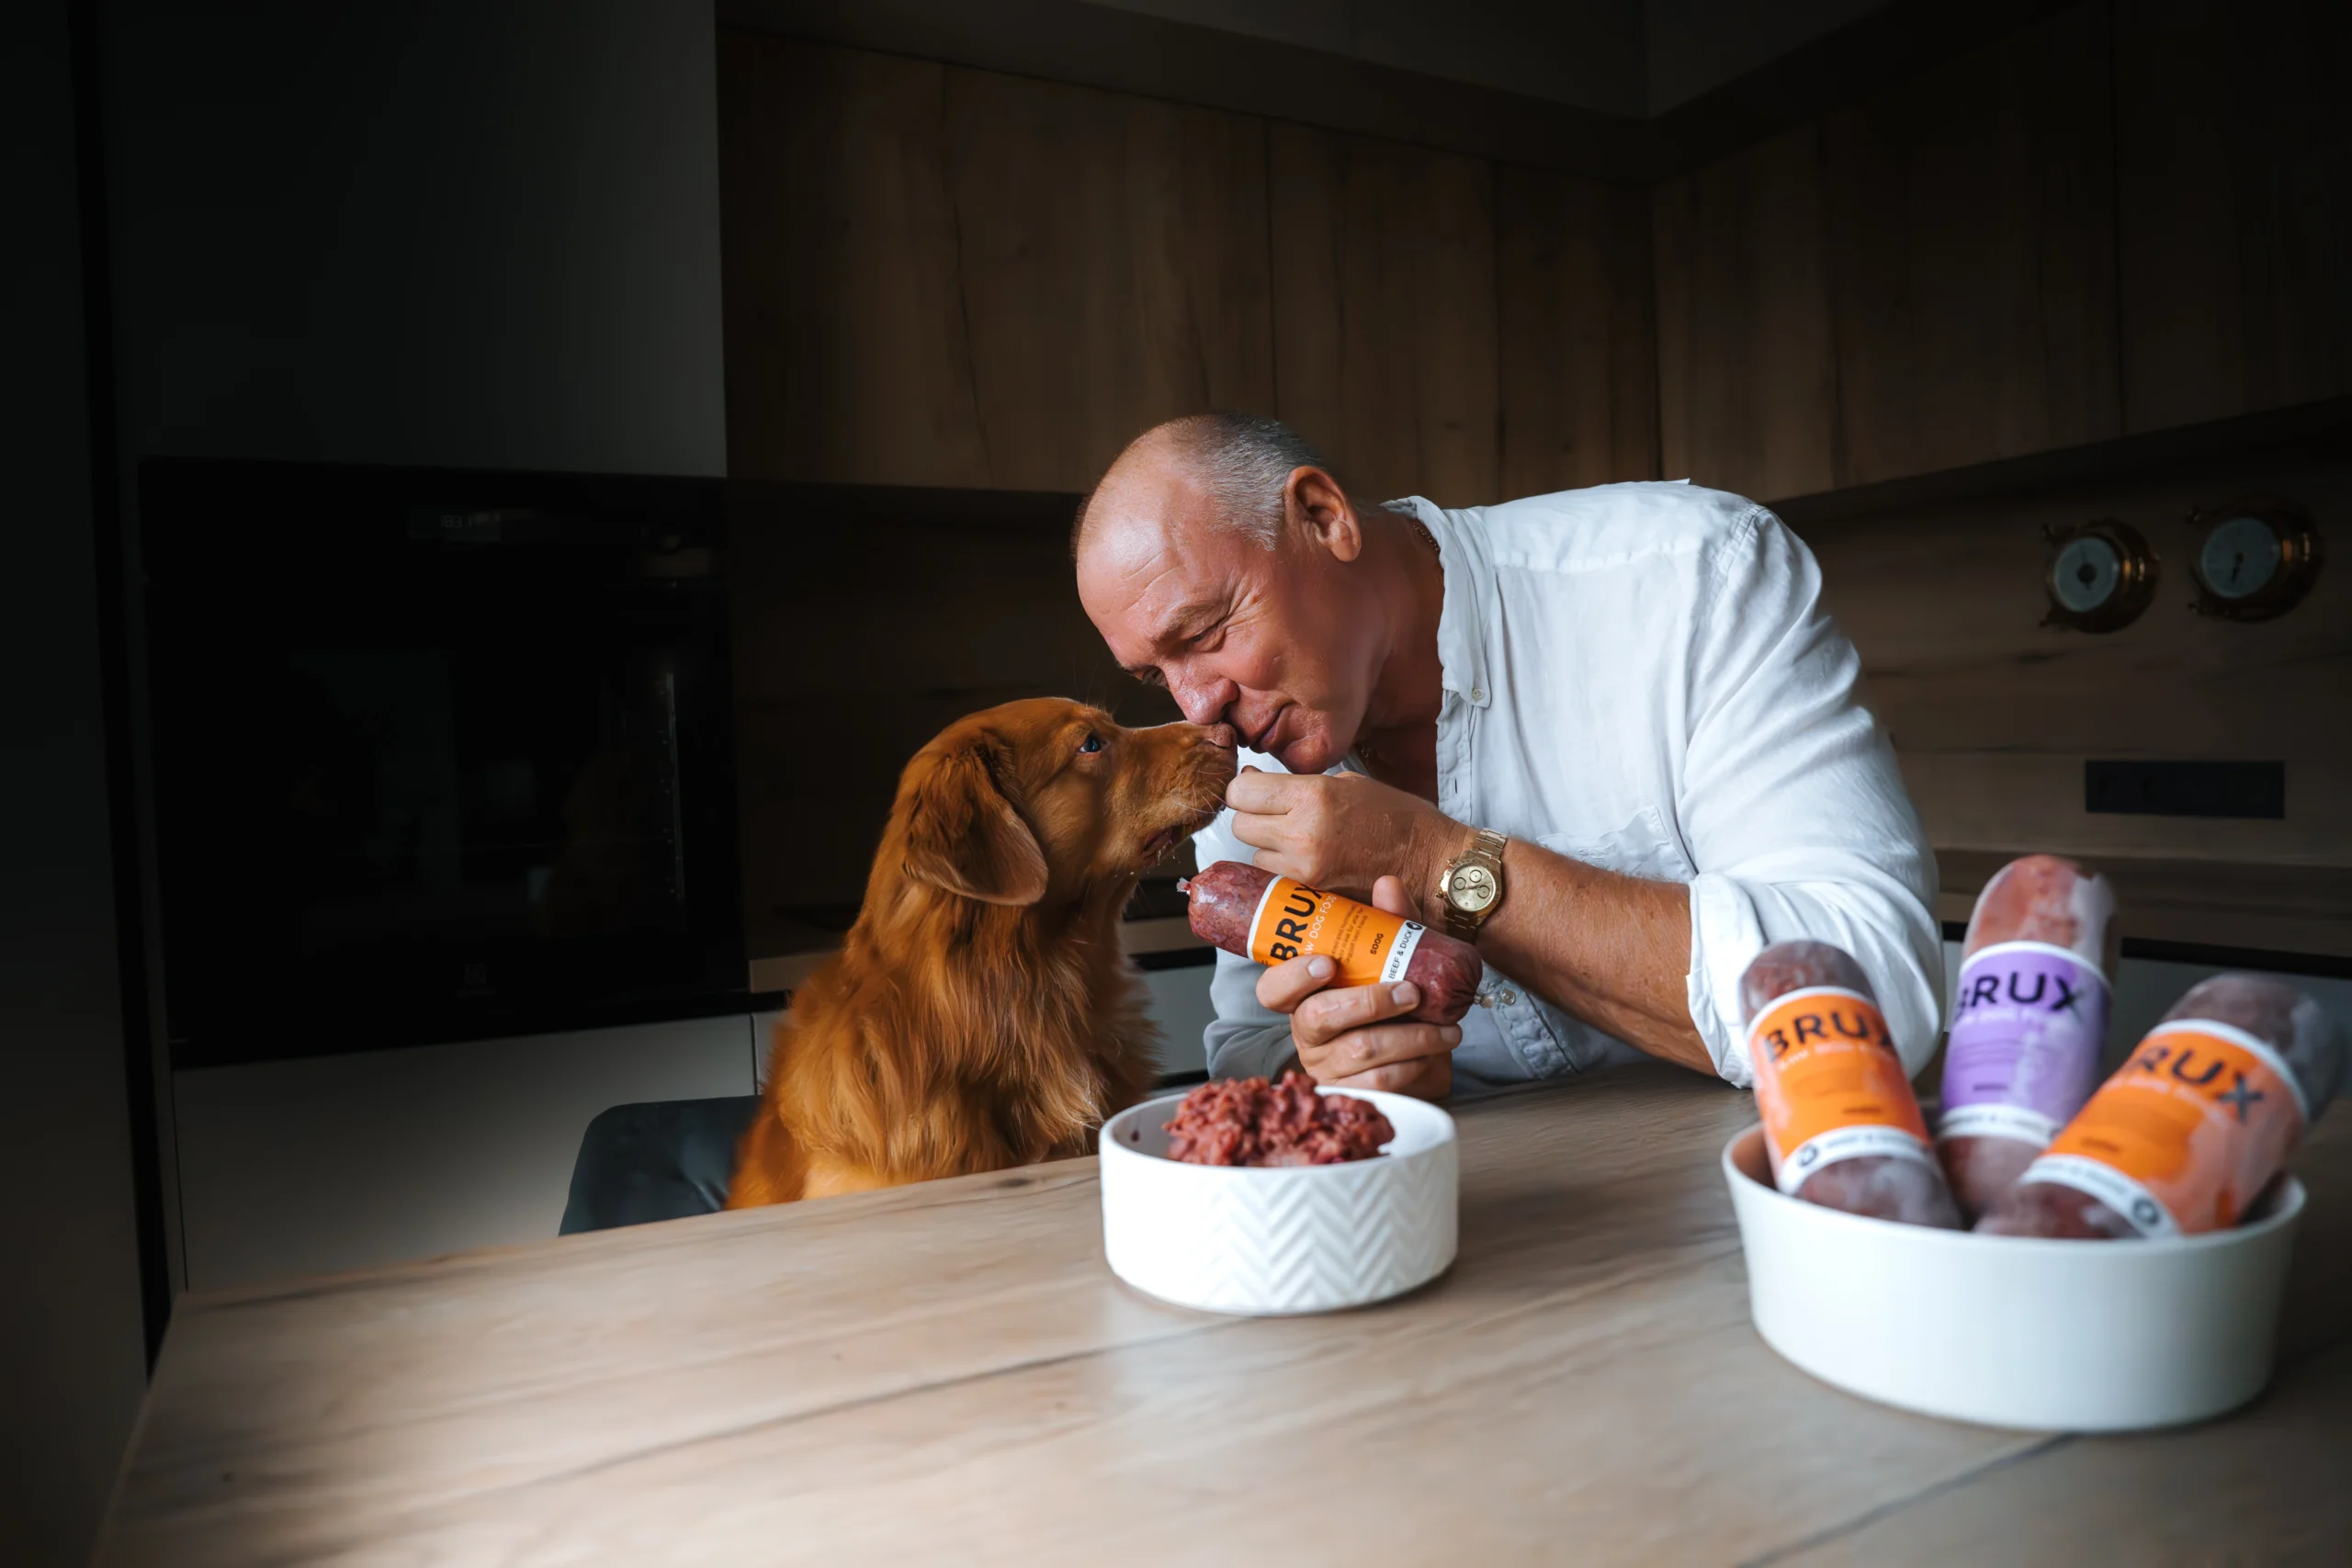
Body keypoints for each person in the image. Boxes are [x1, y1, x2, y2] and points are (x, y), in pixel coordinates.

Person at [1072, 412, 1940, 1100]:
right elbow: (1251, 1052)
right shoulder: (1244, 771)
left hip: (1769, 1184)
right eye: (1158, 673)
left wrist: (1435, 860)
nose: (1199, 708)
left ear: (1323, 518)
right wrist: (1337, 1063)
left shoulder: (1693, 577)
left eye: (1209, 633)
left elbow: (1878, 999)